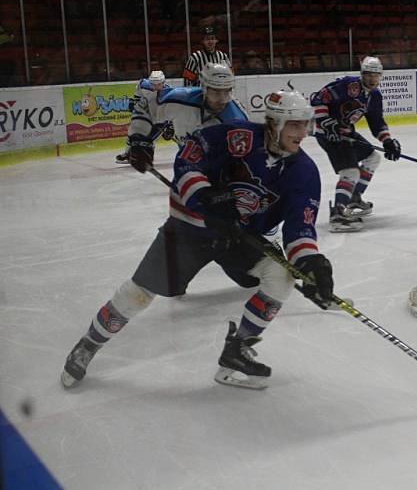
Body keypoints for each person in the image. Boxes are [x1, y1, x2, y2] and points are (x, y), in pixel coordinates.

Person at [61, 90, 334, 390]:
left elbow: (300, 229)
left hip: (239, 236)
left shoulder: (304, 172)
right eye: (294, 125)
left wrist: (310, 263)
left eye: (305, 124)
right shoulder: (237, 137)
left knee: (280, 275)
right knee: (138, 293)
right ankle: (89, 344)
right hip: (191, 228)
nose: (303, 133)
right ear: (275, 123)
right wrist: (205, 197)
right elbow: (190, 155)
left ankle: (237, 349)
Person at [309, 56, 402, 232]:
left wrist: (387, 140)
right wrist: (327, 123)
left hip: (346, 132)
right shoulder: (348, 85)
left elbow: (376, 122)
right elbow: (318, 99)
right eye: (368, 75)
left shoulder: (374, 96)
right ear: (362, 74)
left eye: (376, 76)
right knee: (350, 171)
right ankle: (338, 214)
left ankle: (354, 197)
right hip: (329, 134)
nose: (372, 79)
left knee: (373, 158)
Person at [122, 63, 249, 172]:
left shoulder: (237, 121)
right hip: (187, 166)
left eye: (226, 91)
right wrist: (139, 138)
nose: (222, 99)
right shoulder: (181, 99)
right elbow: (144, 107)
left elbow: (244, 162)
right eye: (216, 92)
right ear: (204, 88)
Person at [116, 70, 170, 164]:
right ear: (149, 82)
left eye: (158, 85)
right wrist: (134, 103)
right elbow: (137, 96)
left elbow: (171, 111)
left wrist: (169, 126)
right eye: (153, 84)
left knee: (149, 139)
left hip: (160, 119)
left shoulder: (169, 93)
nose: (156, 87)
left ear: (163, 82)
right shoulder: (143, 84)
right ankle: (127, 154)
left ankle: (148, 157)